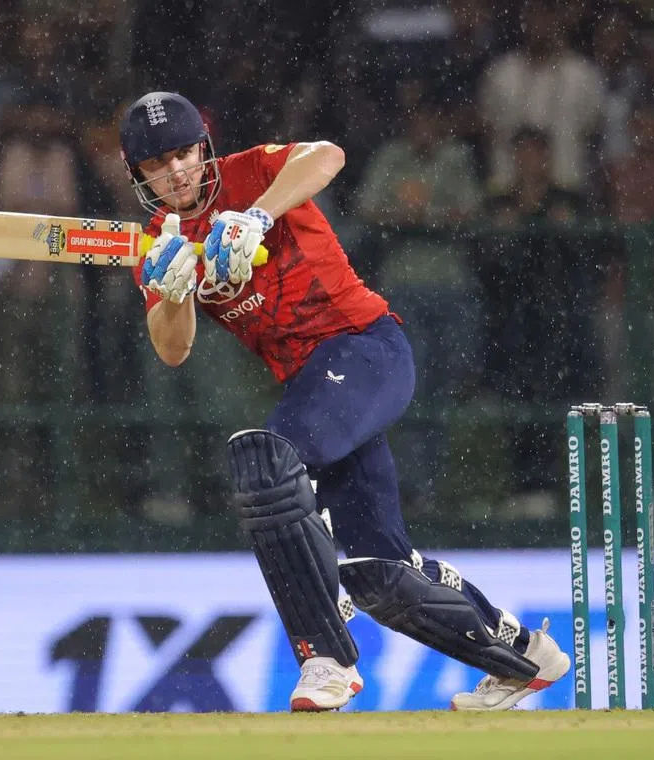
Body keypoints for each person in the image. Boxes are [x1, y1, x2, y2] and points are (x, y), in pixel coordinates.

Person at [118, 91, 570, 712]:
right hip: (318, 389)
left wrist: (256, 216)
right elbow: (172, 350)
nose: (175, 172)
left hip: (365, 350)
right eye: (156, 163)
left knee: (265, 460)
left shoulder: (251, 173)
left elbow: (327, 155)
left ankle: (326, 659)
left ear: (204, 148)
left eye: (183, 154)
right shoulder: (159, 240)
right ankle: (525, 656)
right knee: (381, 572)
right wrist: (174, 291)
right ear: (138, 174)